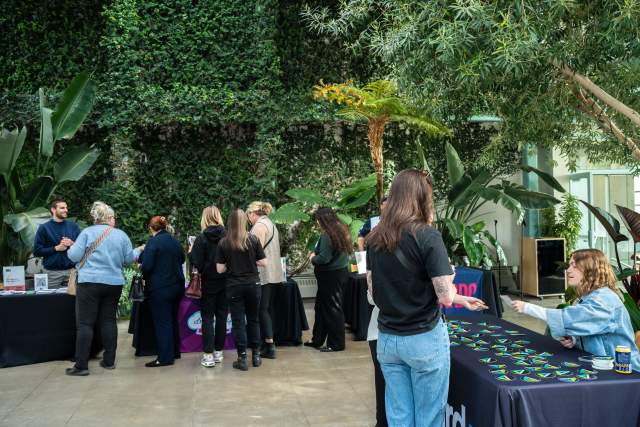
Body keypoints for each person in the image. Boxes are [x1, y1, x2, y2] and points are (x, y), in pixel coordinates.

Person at [366, 169, 487, 427]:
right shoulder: (427, 235)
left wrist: (461, 299)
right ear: (422, 197)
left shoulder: (375, 238)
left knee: (399, 415)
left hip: (387, 338)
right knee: (429, 416)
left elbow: (373, 292)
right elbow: (444, 296)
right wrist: (450, 275)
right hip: (423, 337)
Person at [513, 248, 640, 371]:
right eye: (569, 265)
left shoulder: (605, 299)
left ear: (590, 269)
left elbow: (574, 317)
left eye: (574, 266)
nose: (568, 270)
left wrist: (528, 307)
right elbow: (594, 327)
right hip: (601, 366)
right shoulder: (588, 296)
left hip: (622, 372)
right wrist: (574, 339)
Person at [65, 202, 137, 376]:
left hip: (89, 282)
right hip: (114, 283)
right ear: (110, 217)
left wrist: (71, 247)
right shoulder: (121, 235)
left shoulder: (87, 233)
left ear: (95, 217)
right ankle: (109, 361)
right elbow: (128, 260)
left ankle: (81, 366)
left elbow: (73, 256)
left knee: (85, 324)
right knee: (109, 321)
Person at [216, 209, 267, 371]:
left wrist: (231, 264)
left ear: (229, 222)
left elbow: (219, 269)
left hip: (234, 286)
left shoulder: (224, 242)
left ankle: (242, 358)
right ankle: (257, 356)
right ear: (245, 221)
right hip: (253, 284)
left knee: (238, 322)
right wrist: (251, 261)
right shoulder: (253, 239)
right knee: (254, 320)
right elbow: (264, 262)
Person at [139, 216, 186, 367]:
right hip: (177, 285)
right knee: (172, 320)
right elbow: (183, 259)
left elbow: (147, 266)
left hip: (160, 288)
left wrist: (141, 267)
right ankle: (175, 352)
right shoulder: (174, 241)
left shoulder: (153, 242)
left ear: (151, 228)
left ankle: (165, 358)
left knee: (162, 323)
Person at [305, 207, 352, 352]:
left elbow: (324, 258)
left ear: (323, 220)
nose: (318, 223)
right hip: (339, 274)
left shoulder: (327, 235)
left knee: (333, 309)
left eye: (318, 220)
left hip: (330, 276)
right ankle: (317, 339)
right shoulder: (341, 230)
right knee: (321, 307)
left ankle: (336, 344)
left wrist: (312, 257)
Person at [189, 206, 228, 368]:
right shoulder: (227, 236)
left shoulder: (201, 238)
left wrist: (191, 252)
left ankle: (208, 355)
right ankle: (219, 352)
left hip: (208, 282)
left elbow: (196, 262)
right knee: (222, 316)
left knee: (207, 318)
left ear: (204, 218)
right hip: (226, 281)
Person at [247, 201, 283, 359]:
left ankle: (268, 345)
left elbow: (254, 251)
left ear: (253, 214)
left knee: (261, 310)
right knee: (266, 309)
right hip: (273, 273)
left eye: (248, 215)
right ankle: (269, 343)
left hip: (262, 274)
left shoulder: (259, 227)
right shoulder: (271, 224)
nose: (248, 219)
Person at [33, 198, 81, 288]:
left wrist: (72, 243)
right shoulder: (44, 228)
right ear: (53, 209)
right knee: (51, 300)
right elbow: (37, 251)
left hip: (71, 272)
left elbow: (83, 248)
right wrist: (56, 248)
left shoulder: (73, 226)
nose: (66, 210)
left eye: (66, 208)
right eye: (62, 208)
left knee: (72, 301)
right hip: (52, 273)